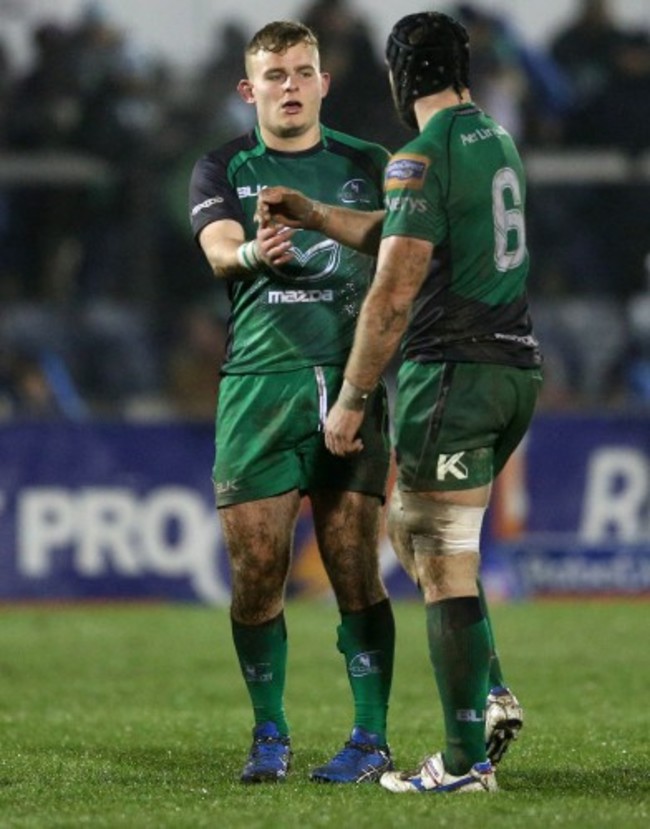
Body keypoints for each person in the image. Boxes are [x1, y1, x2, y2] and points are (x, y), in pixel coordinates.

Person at [259, 10, 542, 794]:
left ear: (398, 77)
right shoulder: (494, 140)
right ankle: (487, 693)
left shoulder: (420, 153)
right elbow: (405, 232)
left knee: (434, 543)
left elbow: (392, 289)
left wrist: (351, 398)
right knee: (425, 542)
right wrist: (317, 215)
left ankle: (462, 760)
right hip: (515, 367)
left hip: (453, 366)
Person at [188, 20, 395, 785]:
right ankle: (269, 730)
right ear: (250, 89)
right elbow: (217, 249)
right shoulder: (222, 165)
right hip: (258, 386)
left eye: (302, 72)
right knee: (257, 570)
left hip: (349, 381)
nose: (291, 85)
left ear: (324, 82)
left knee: (352, 567)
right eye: (274, 75)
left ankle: (370, 737)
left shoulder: (367, 163)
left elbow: (403, 246)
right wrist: (251, 253)